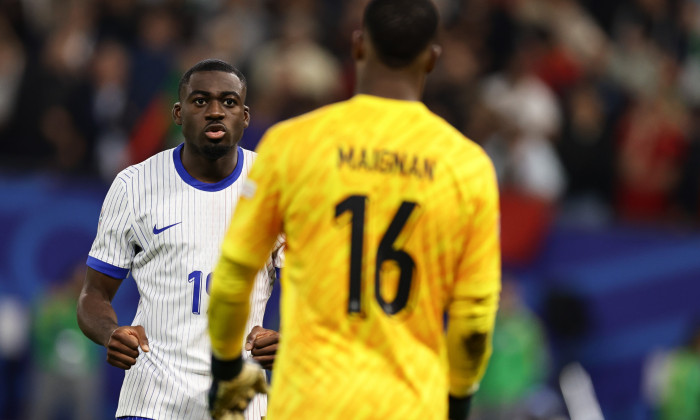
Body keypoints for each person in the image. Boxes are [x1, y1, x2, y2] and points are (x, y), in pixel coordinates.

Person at [207, 1, 501, 420]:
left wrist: (227, 371)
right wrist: (456, 404)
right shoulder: (466, 167)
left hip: (311, 402)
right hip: (411, 405)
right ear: (433, 58)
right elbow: (473, 318)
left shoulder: (293, 144)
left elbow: (235, 274)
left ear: (359, 46)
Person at [77, 58, 282, 420]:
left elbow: (315, 289)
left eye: (229, 102)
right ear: (177, 113)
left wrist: (289, 338)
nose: (215, 111)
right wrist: (111, 333)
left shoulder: (275, 187)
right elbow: (94, 293)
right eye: (200, 101)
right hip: (152, 400)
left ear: (245, 116)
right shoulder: (134, 185)